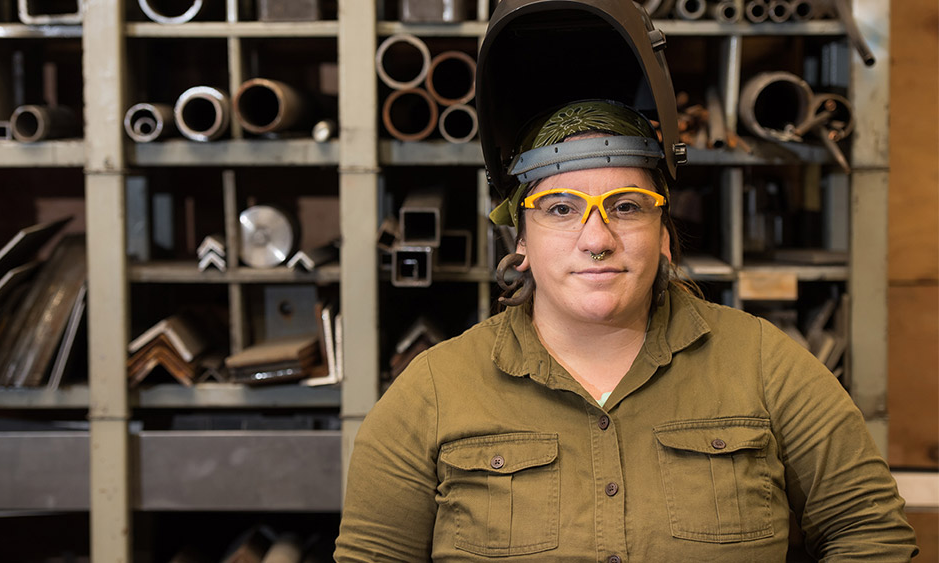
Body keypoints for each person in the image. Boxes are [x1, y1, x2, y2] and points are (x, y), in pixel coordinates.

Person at [335, 1, 918, 561]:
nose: (597, 238)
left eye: (629, 206)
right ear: (520, 241)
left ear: (663, 232)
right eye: (561, 209)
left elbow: (870, 531)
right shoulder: (430, 394)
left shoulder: (767, 366)